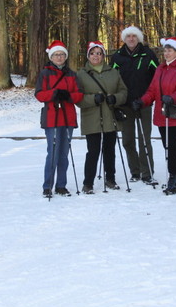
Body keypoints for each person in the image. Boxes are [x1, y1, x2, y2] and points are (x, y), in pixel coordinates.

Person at [132, 37, 176, 194]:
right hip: (163, 114)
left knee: (172, 146)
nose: (166, 53)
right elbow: (153, 90)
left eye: (170, 50)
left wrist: (173, 97)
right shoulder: (161, 68)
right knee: (168, 147)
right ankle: (174, 176)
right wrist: (142, 101)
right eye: (165, 50)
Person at [76, 41, 128, 194]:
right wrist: (92, 99)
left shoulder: (113, 72)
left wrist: (115, 98)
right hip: (91, 118)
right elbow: (78, 98)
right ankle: (88, 183)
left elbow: (123, 92)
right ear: (88, 55)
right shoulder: (81, 74)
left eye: (99, 53)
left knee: (110, 149)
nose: (96, 56)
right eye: (93, 53)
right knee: (93, 151)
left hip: (110, 117)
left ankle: (110, 179)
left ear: (103, 56)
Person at [35, 41, 84, 197]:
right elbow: (39, 94)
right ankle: (47, 186)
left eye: (62, 54)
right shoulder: (45, 74)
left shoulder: (72, 74)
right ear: (51, 57)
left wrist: (69, 96)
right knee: (53, 153)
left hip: (67, 118)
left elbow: (79, 94)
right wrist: (54, 94)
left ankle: (61, 185)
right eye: (56, 54)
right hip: (52, 118)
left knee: (64, 154)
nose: (59, 57)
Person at [110, 26, 159, 185]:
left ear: (139, 38)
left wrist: (148, 98)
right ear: (124, 39)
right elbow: (112, 80)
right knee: (127, 140)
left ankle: (147, 172)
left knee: (144, 139)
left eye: (134, 36)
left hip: (144, 103)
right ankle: (135, 171)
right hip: (125, 104)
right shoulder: (117, 56)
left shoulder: (148, 54)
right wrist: (115, 103)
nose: (131, 39)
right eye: (128, 36)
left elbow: (157, 77)